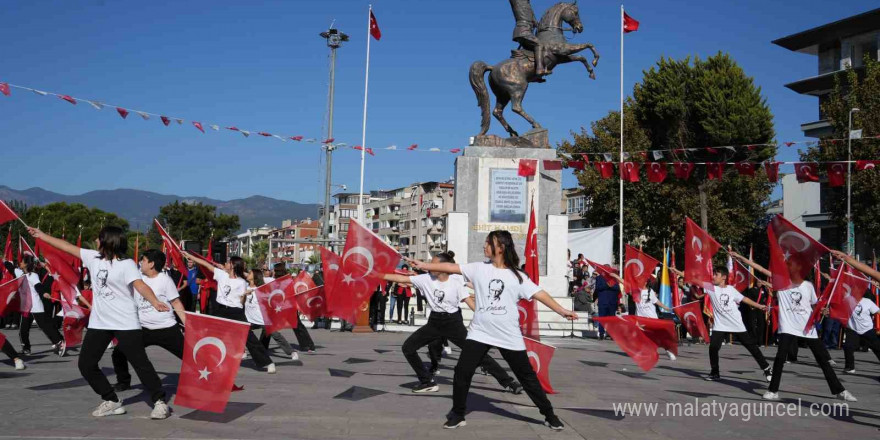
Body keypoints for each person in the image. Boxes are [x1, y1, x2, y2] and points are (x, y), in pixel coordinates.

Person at [406, 230, 577, 430]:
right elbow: (450, 267)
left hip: (508, 335)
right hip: (480, 333)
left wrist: (562, 310)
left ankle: (549, 414)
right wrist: (424, 265)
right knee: (462, 371)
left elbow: (540, 294)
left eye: (489, 243)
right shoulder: (478, 268)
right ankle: (458, 414)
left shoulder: (518, 276)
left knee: (527, 377)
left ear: (501, 247)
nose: (484, 246)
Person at [29, 226, 172, 419]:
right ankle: (111, 400)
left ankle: (159, 402)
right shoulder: (93, 257)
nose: (96, 241)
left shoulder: (127, 264)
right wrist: (42, 235)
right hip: (100, 322)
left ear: (109, 241)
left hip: (125, 322)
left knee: (140, 364)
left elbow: (140, 285)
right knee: (86, 364)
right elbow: (66, 246)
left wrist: (154, 301)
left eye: (99, 239)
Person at [381, 251, 524, 395]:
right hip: (434, 322)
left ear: (444, 266)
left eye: (434, 263)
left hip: (453, 323)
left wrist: (487, 318)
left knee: (477, 353)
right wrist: (375, 274)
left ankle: (509, 382)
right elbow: (399, 278)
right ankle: (426, 381)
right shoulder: (425, 279)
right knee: (408, 348)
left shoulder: (456, 281)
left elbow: (469, 301)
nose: (430, 265)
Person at [730, 251, 855, 402]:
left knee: (822, 360)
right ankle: (773, 390)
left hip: (807, 328)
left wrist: (823, 310)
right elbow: (762, 269)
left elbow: (815, 304)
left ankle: (839, 390)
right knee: (780, 358)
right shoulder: (782, 283)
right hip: (788, 326)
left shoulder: (808, 286)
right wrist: (742, 258)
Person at [184, 251, 276, 373]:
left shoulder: (242, 282)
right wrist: (190, 256)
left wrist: (244, 296)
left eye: (228, 262)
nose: (225, 264)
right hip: (220, 310)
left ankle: (267, 362)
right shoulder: (221, 274)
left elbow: (241, 302)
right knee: (212, 336)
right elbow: (206, 264)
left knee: (249, 338)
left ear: (233, 265)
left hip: (236, 312)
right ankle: (205, 363)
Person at [111, 249, 187, 392]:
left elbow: (176, 303)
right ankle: (123, 382)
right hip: (142, 329)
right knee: (119, 352)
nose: (140, 262)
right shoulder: (137, 278)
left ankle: (215, 380)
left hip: (166, 328)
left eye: (143, 260)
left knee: (190, 357)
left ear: (151, 264)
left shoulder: (165, 280)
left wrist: (189, 325)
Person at [244, 269, 298, 361]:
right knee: (243, 334)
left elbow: (272, 299)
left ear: (255, 276)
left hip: (262, 318)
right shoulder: (244, 286)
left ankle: (291, 352)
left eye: (250, 273)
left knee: (276, 335)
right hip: (249, 318)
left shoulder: (261, 289)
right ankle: (243, 352)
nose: (247, 274)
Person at [17, 253, 64, 356]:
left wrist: (43, 293)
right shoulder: (20, 275)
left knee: (45, 326)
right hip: (26, 307)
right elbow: (11, 269)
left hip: (35, 306)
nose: (20, 263)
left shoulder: (32, 275)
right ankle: (26, 349)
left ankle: (59, 342)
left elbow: (38, 286)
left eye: (22, 261)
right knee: (23, 329)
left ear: (26, 264)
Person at [267, 263, 315, 352]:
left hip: (286, 307)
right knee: (270, 325)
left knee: (297, 326)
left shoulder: (284, 281)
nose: (272, 271)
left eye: (274, 269)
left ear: (277, 270)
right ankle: (308, 345)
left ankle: (308, 345)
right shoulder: (280, 281)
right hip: (282, 307)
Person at [592, 270, 620, 340]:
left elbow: (618, 289)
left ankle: (611, 334)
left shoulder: (614, 278)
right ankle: (601, 334)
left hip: (612, 302)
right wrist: (607, 285)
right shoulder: (599, 278)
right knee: (602, 319)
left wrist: (611, 286)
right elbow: (598, 288)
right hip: (603, 302)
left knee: (612, 320)